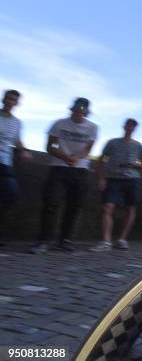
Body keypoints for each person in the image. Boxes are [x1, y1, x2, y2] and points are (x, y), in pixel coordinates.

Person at [31, 98, 97, 254]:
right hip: (58, 167)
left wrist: (76, 157)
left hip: (80, 169)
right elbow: (50, 145)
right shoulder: (59, 124)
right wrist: (64, 157)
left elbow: (88, 148)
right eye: (77, 109)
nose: (79, 112)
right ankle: (43, 240)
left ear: (86, 112)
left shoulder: (92, 127)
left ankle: (65, 240)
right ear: (72, 109)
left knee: (74, 206)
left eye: (83, 110)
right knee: (51, 204)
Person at [90, 119, 142, 251]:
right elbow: (101, 160)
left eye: (132, 126)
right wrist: (100, 178)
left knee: (130, 209)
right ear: (124, 126)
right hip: (113, 178)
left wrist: (135, 164)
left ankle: (122, 239)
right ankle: (106, 241)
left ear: (134, 129)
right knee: (107, 207)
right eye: (128, 125)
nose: (130, 128)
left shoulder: (138, 146)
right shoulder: (112, 142)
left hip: (132, 179)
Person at [0, 90, 32, 243]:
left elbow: (17, 141)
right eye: (9, 98)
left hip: (5, 161)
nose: (11, 101)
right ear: (3, 99)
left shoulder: (17, 122)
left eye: (14, 99)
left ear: (17, 103)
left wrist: (24, 151)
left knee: (11, 194)